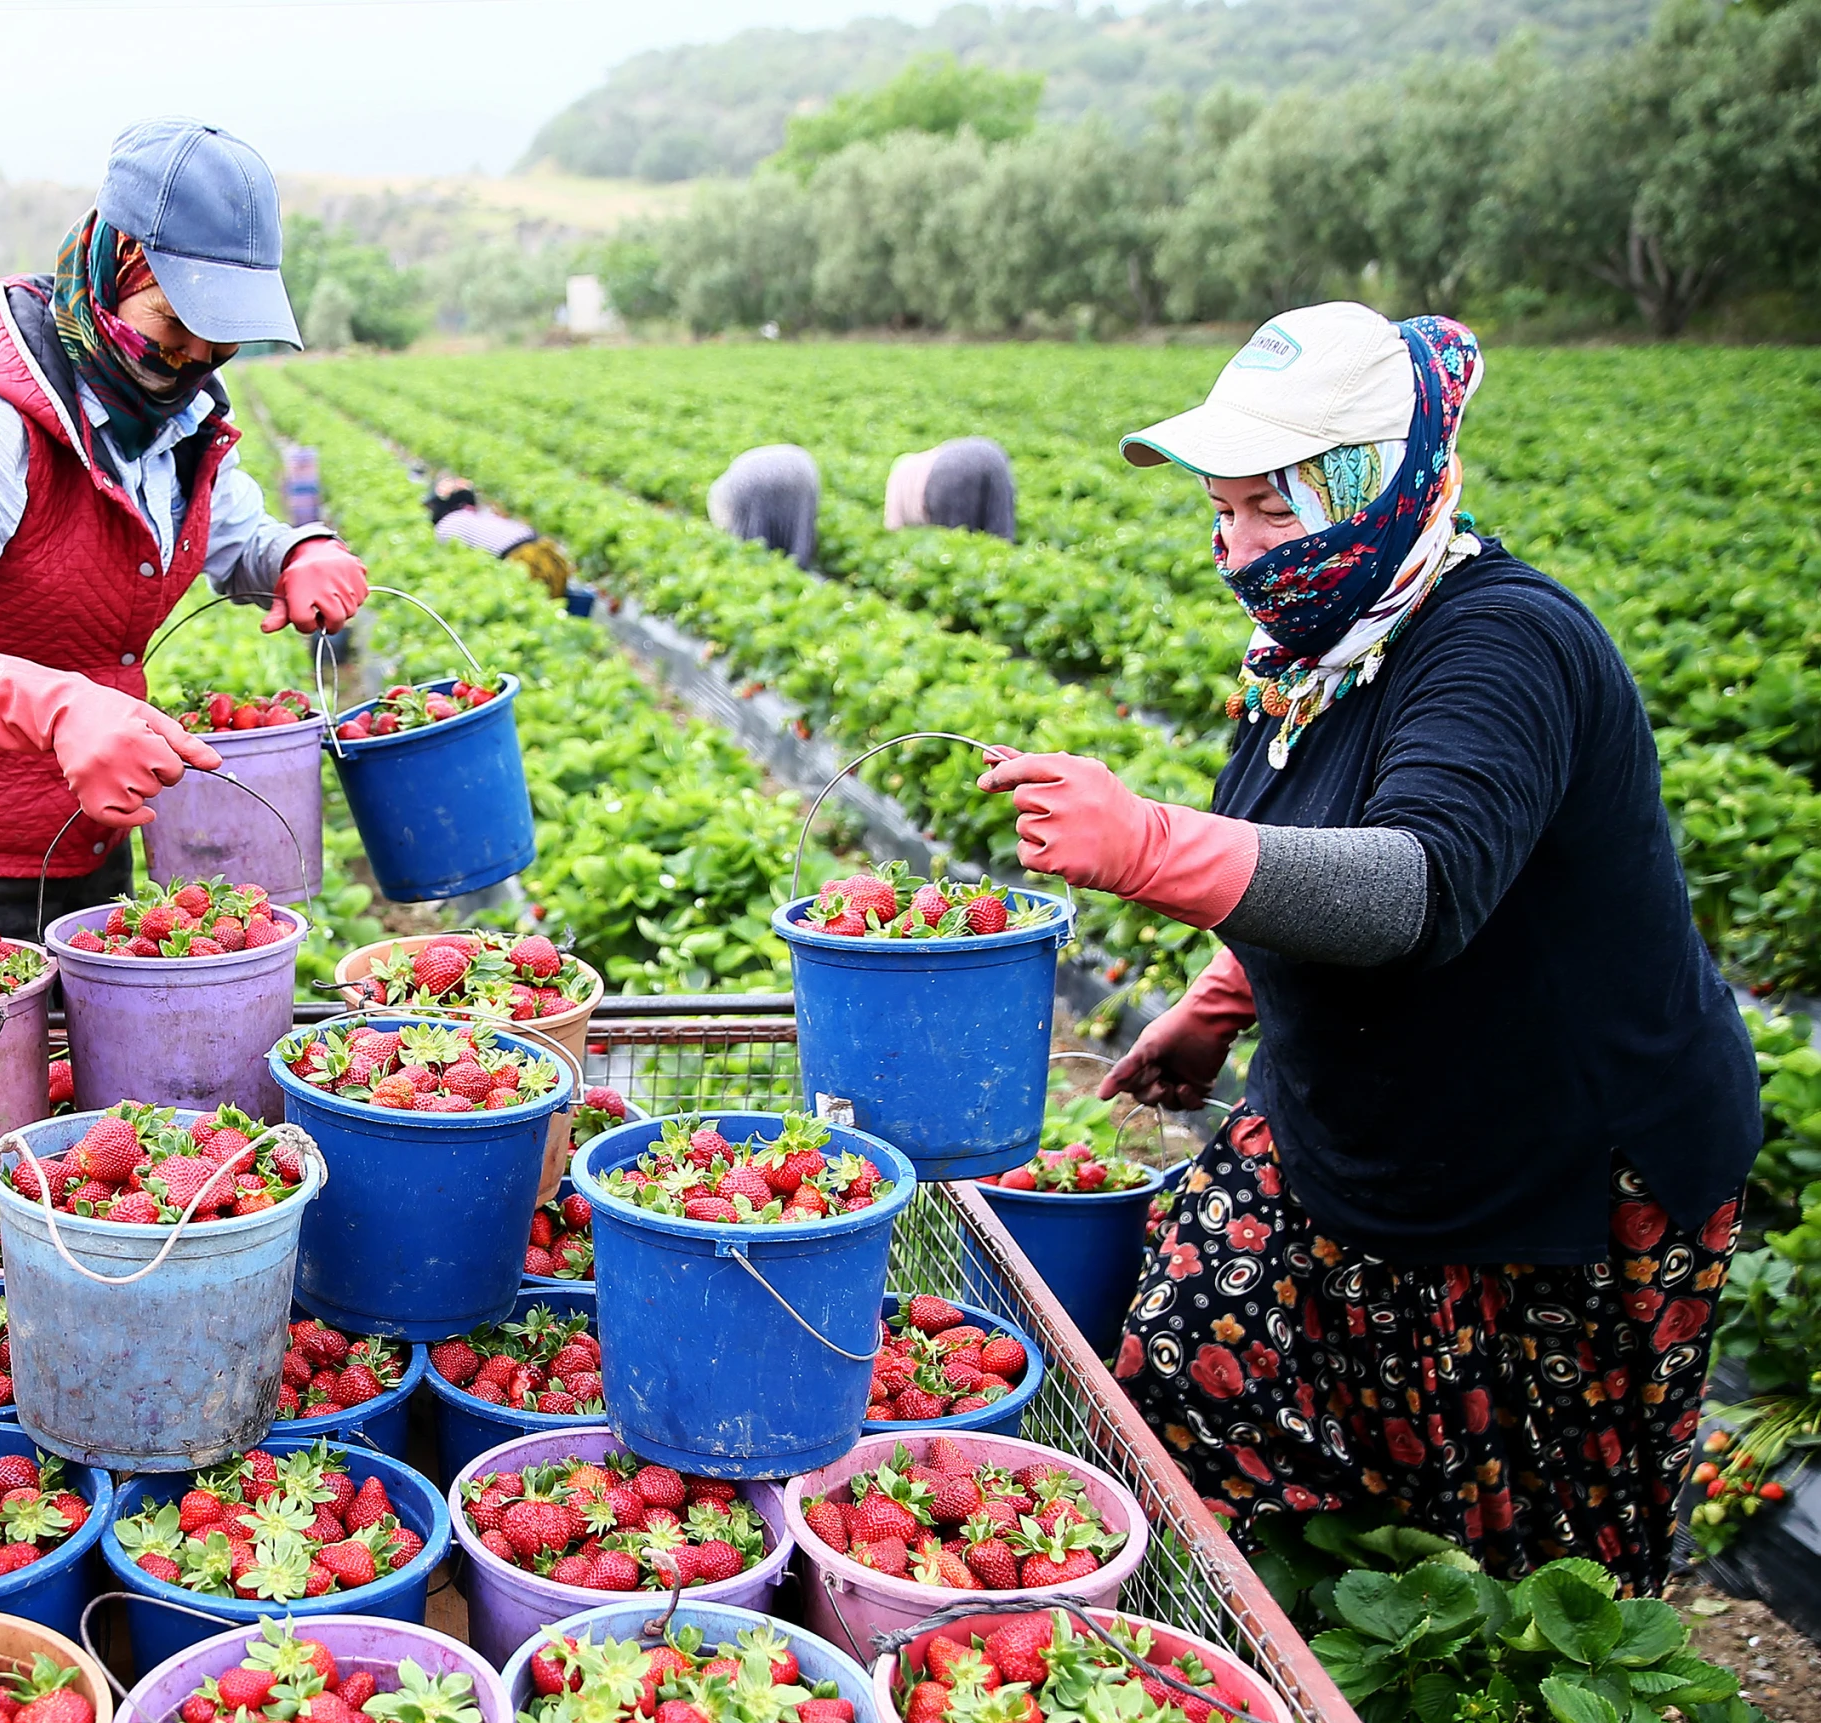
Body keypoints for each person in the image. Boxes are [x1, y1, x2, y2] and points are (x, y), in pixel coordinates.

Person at [976, 302, 1756, 1591]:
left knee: (1523, 1565)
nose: (1238, 548)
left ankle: (1431, 1691)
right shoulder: (1319, 649)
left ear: (1375, 486)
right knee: (1187, 1365)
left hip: (1553, 1168)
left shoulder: (1505, 645)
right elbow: (1313, 835)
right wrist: (1222, 1001)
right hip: (1356, 1112)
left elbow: (1416, 885)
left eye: (1269, 509)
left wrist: (1148, 842)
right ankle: (1261, 1636)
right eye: (1222, 510)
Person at [0, 118, 371, 937]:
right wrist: (55, 709)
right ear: (114, 262)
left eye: (220, 336)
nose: (192, 356)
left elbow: (235, 537)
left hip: (97, 836)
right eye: (171, 321)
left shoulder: (176, 416)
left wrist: (296, 552)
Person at [425, 472, 573, 600]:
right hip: (547, 553)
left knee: (534, 598)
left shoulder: (448, 524)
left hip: (525, 559)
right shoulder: (477, 516)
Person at [708, 444, 819, 569]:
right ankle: (794, 560)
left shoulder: (726, 500)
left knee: (753, 529)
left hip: (764, 478)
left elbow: (735, 532)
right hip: (800, 467)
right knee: (797, 522)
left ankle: (770, 564)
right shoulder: (725, 492)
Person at [885, 437, 1016, 542]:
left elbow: (894, 529)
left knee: (955, 542)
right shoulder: (922, 459)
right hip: (992, 452)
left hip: (945, 472)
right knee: (1000, 539)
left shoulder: (897, 476)